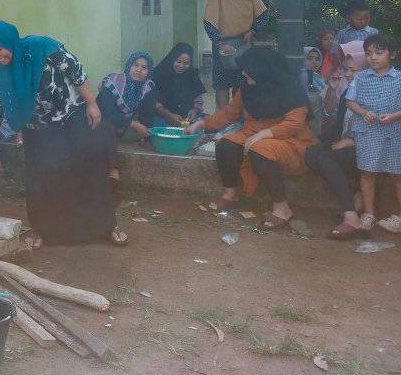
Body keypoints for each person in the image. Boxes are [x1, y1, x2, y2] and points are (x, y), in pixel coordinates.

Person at [0, 21, 127, 249]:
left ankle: (107, 226)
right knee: (40, 178)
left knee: (88, 168)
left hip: (72, 115)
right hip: (38, 128)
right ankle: (42, 230)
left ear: (10, 41)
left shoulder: (42, 48)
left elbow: (76, 71)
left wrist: (91, 103)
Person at [186, 47, 311, 229]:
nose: (244, 72)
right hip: (253, 134)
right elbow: (229, 114)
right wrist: (201, 124)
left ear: (263, 70)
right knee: (226, 144)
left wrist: (264, 134)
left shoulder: (291, 89)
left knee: (260, 149)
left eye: (248, 68)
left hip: (288, 139)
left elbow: (294, 123)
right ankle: (229, 195)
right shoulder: (247, 87)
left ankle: (282, 208)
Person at [305, 42, 368, 238]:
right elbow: (335, 122)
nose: (348, 74)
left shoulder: (373, 93)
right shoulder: (348, 93)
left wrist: (349, 141)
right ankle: (354, 196)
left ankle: (351, 217)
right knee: (311, 153)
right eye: (346, 69)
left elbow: (377, 128)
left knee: (326, 158)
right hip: (349, 148)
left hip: (369, 149)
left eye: (353, 70)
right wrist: (332, 90)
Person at [345, 34, 401, 234]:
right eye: (369, 54)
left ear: (392, 54)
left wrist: (394, 116)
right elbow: (350, 101)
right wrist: (362, 112)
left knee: (397, 174)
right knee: (367, 173)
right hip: (368, 133)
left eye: (379, 52)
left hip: (394, 134)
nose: (373, 57)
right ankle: (369, 213)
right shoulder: (360, 77)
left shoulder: (399, 78)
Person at [203, 0, 270, 109]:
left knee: (242, 83)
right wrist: (220, 43)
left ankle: (239, 117)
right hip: (222, 46)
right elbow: (209, 22)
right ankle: (221, 119)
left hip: (243, 44)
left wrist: (253, 31)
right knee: (222, 85)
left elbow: (263, 16)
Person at [152, 42, 206, 126]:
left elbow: (198, 100)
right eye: (178, 61)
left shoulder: (191, 75)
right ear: (172, 59)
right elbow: (152, 101)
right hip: (162, 115)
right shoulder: (159, 74)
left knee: (204, 122)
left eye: (186, 63)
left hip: (185, 118)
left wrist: (194, 110)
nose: (181, 66)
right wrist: (168, 115)